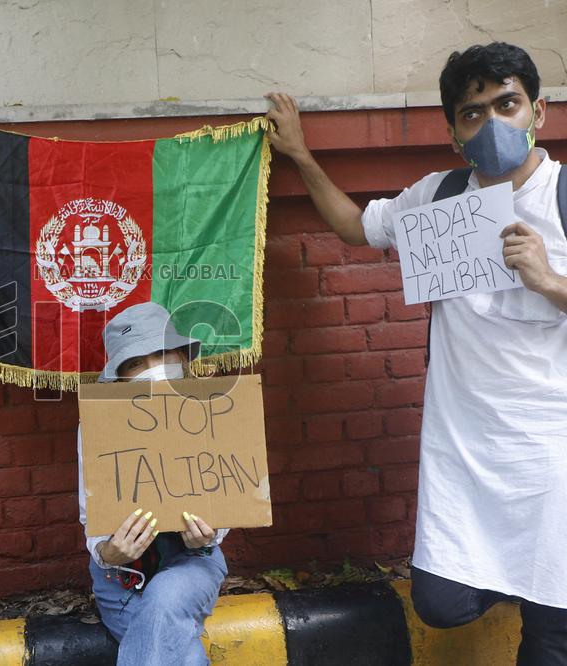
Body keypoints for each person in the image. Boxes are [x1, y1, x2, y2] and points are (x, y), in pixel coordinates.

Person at [265, 42, 567, 664]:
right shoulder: (440, 197)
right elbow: (356, 227)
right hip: (466, 453)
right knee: (440, 602)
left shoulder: (563, 196)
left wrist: (549, 281)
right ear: (454, 133)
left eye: (507, 104)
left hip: (552, 455)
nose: (492, 123)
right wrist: (299, 154)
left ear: (538, 111)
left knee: (551, 635)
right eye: (472, 113)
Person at [77, 301, 228, 666]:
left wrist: (209, 534)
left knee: (165, 595)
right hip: (121, 579)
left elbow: (228, 497)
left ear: (180, 357)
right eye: (135, 363)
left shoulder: (211, 411)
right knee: (186, 658)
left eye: (161, 355)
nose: (151, 368)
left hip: (191, 565)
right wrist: (109, 552)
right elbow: (90, 516)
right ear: (120, 376)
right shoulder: (96, 428)